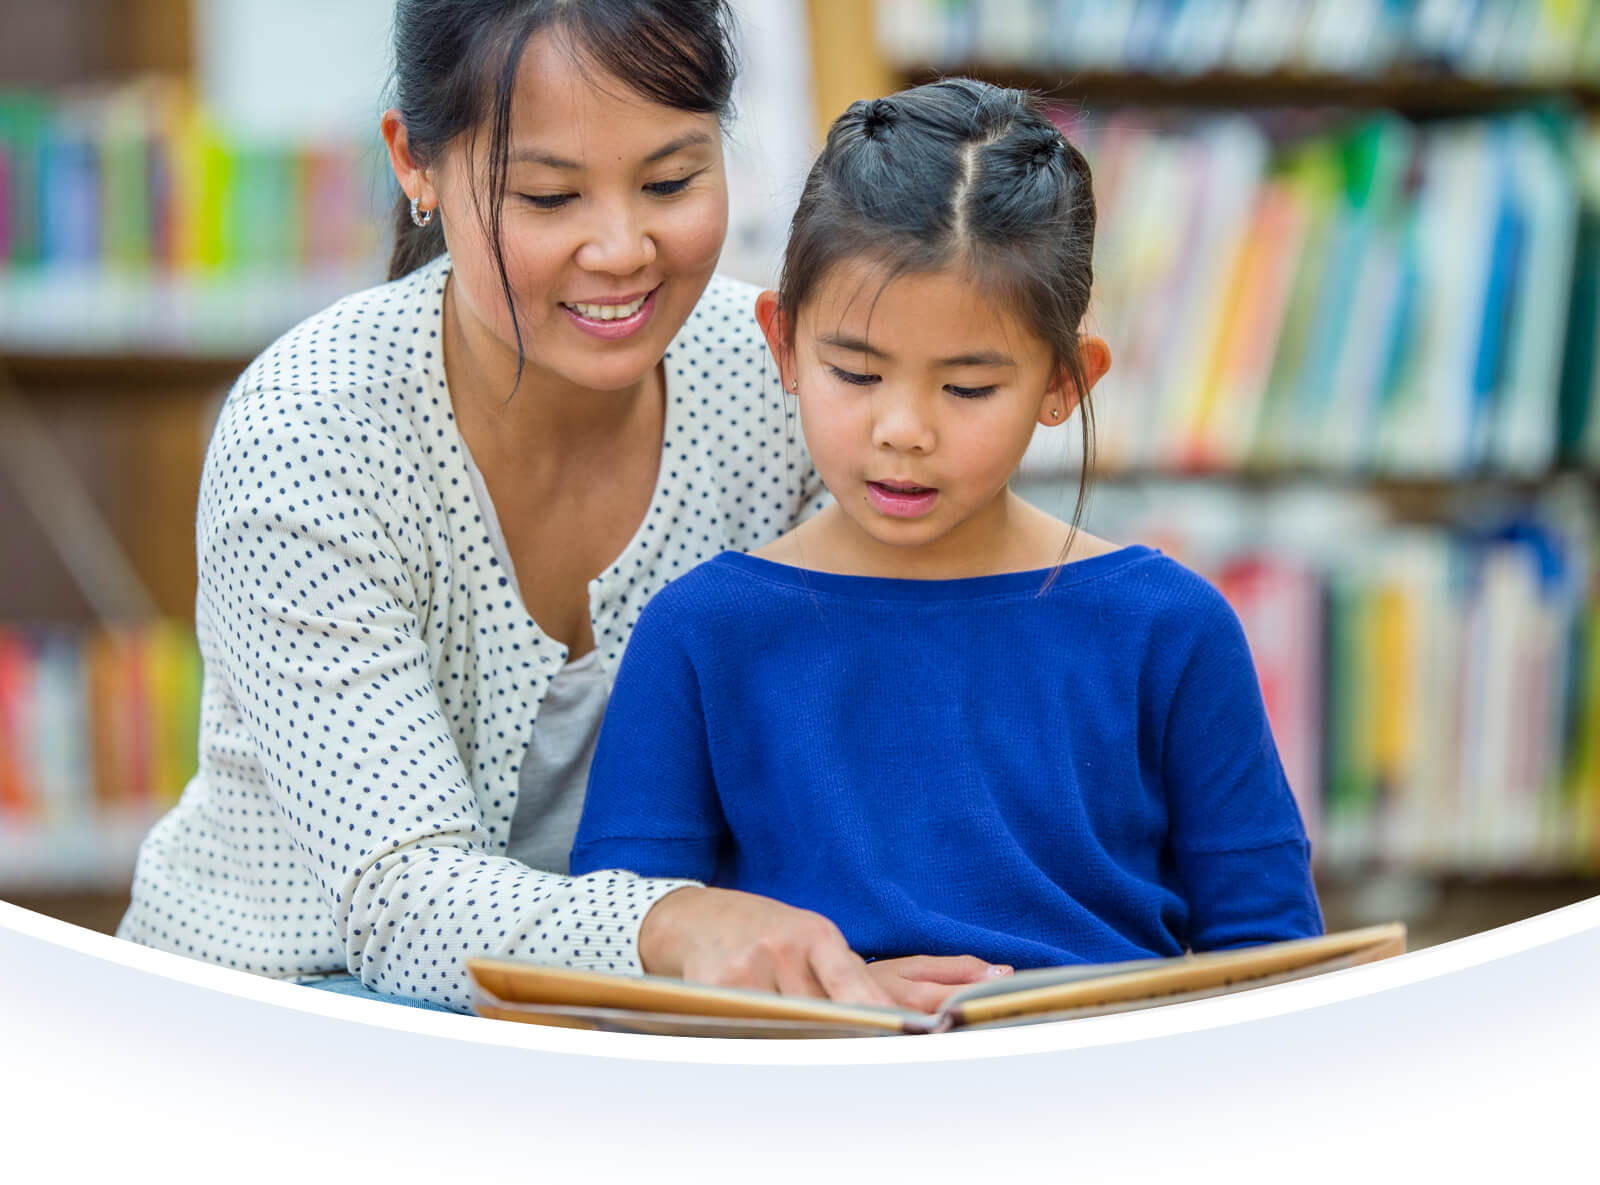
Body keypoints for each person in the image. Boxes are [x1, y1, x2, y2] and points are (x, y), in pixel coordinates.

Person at [117, 0, 1003, 1015]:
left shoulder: (778, 382)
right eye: (548, 197)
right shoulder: (316, 431)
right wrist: (680, 931)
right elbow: (400, 902)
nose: (623, 248)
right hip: (274, 1023)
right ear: (416, 162)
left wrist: (823, 966)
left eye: (671, 180)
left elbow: (862, 740)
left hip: (615, 1040)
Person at [570, 79, 1324, 969]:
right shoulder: (699, 634)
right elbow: (619, 965)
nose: (903, 430)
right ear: (782, 344)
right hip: (809, 1099)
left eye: (967, 388)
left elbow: (1274, 965)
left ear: (1063, 383)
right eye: (854, 373)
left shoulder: (1172, 630)